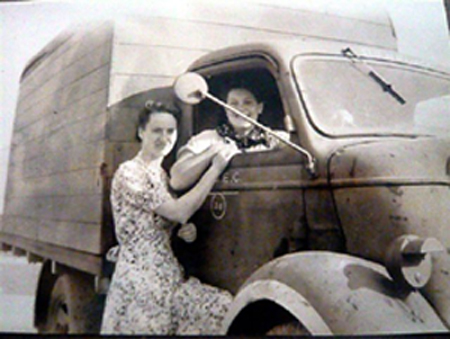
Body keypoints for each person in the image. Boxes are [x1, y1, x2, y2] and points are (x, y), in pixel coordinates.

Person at [101, 101, 237, 335]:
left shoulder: (162, 175)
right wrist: (215, 169)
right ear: (141, 132)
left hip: (168, 275)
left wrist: (184, 231)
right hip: (140, 282)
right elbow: (178, 211)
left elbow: (167, 219)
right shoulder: (130, 172)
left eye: (170, 131)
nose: (164, 137)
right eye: (156, 130)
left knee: (221, 308)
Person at [170, 84, 289, 191]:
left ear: (260, 108)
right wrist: (213, 151)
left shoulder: (276, 139)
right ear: (226, 109)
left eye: (247, 102)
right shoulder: (208, 138)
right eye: (233, 103)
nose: (240, 108)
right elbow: (177, 181)